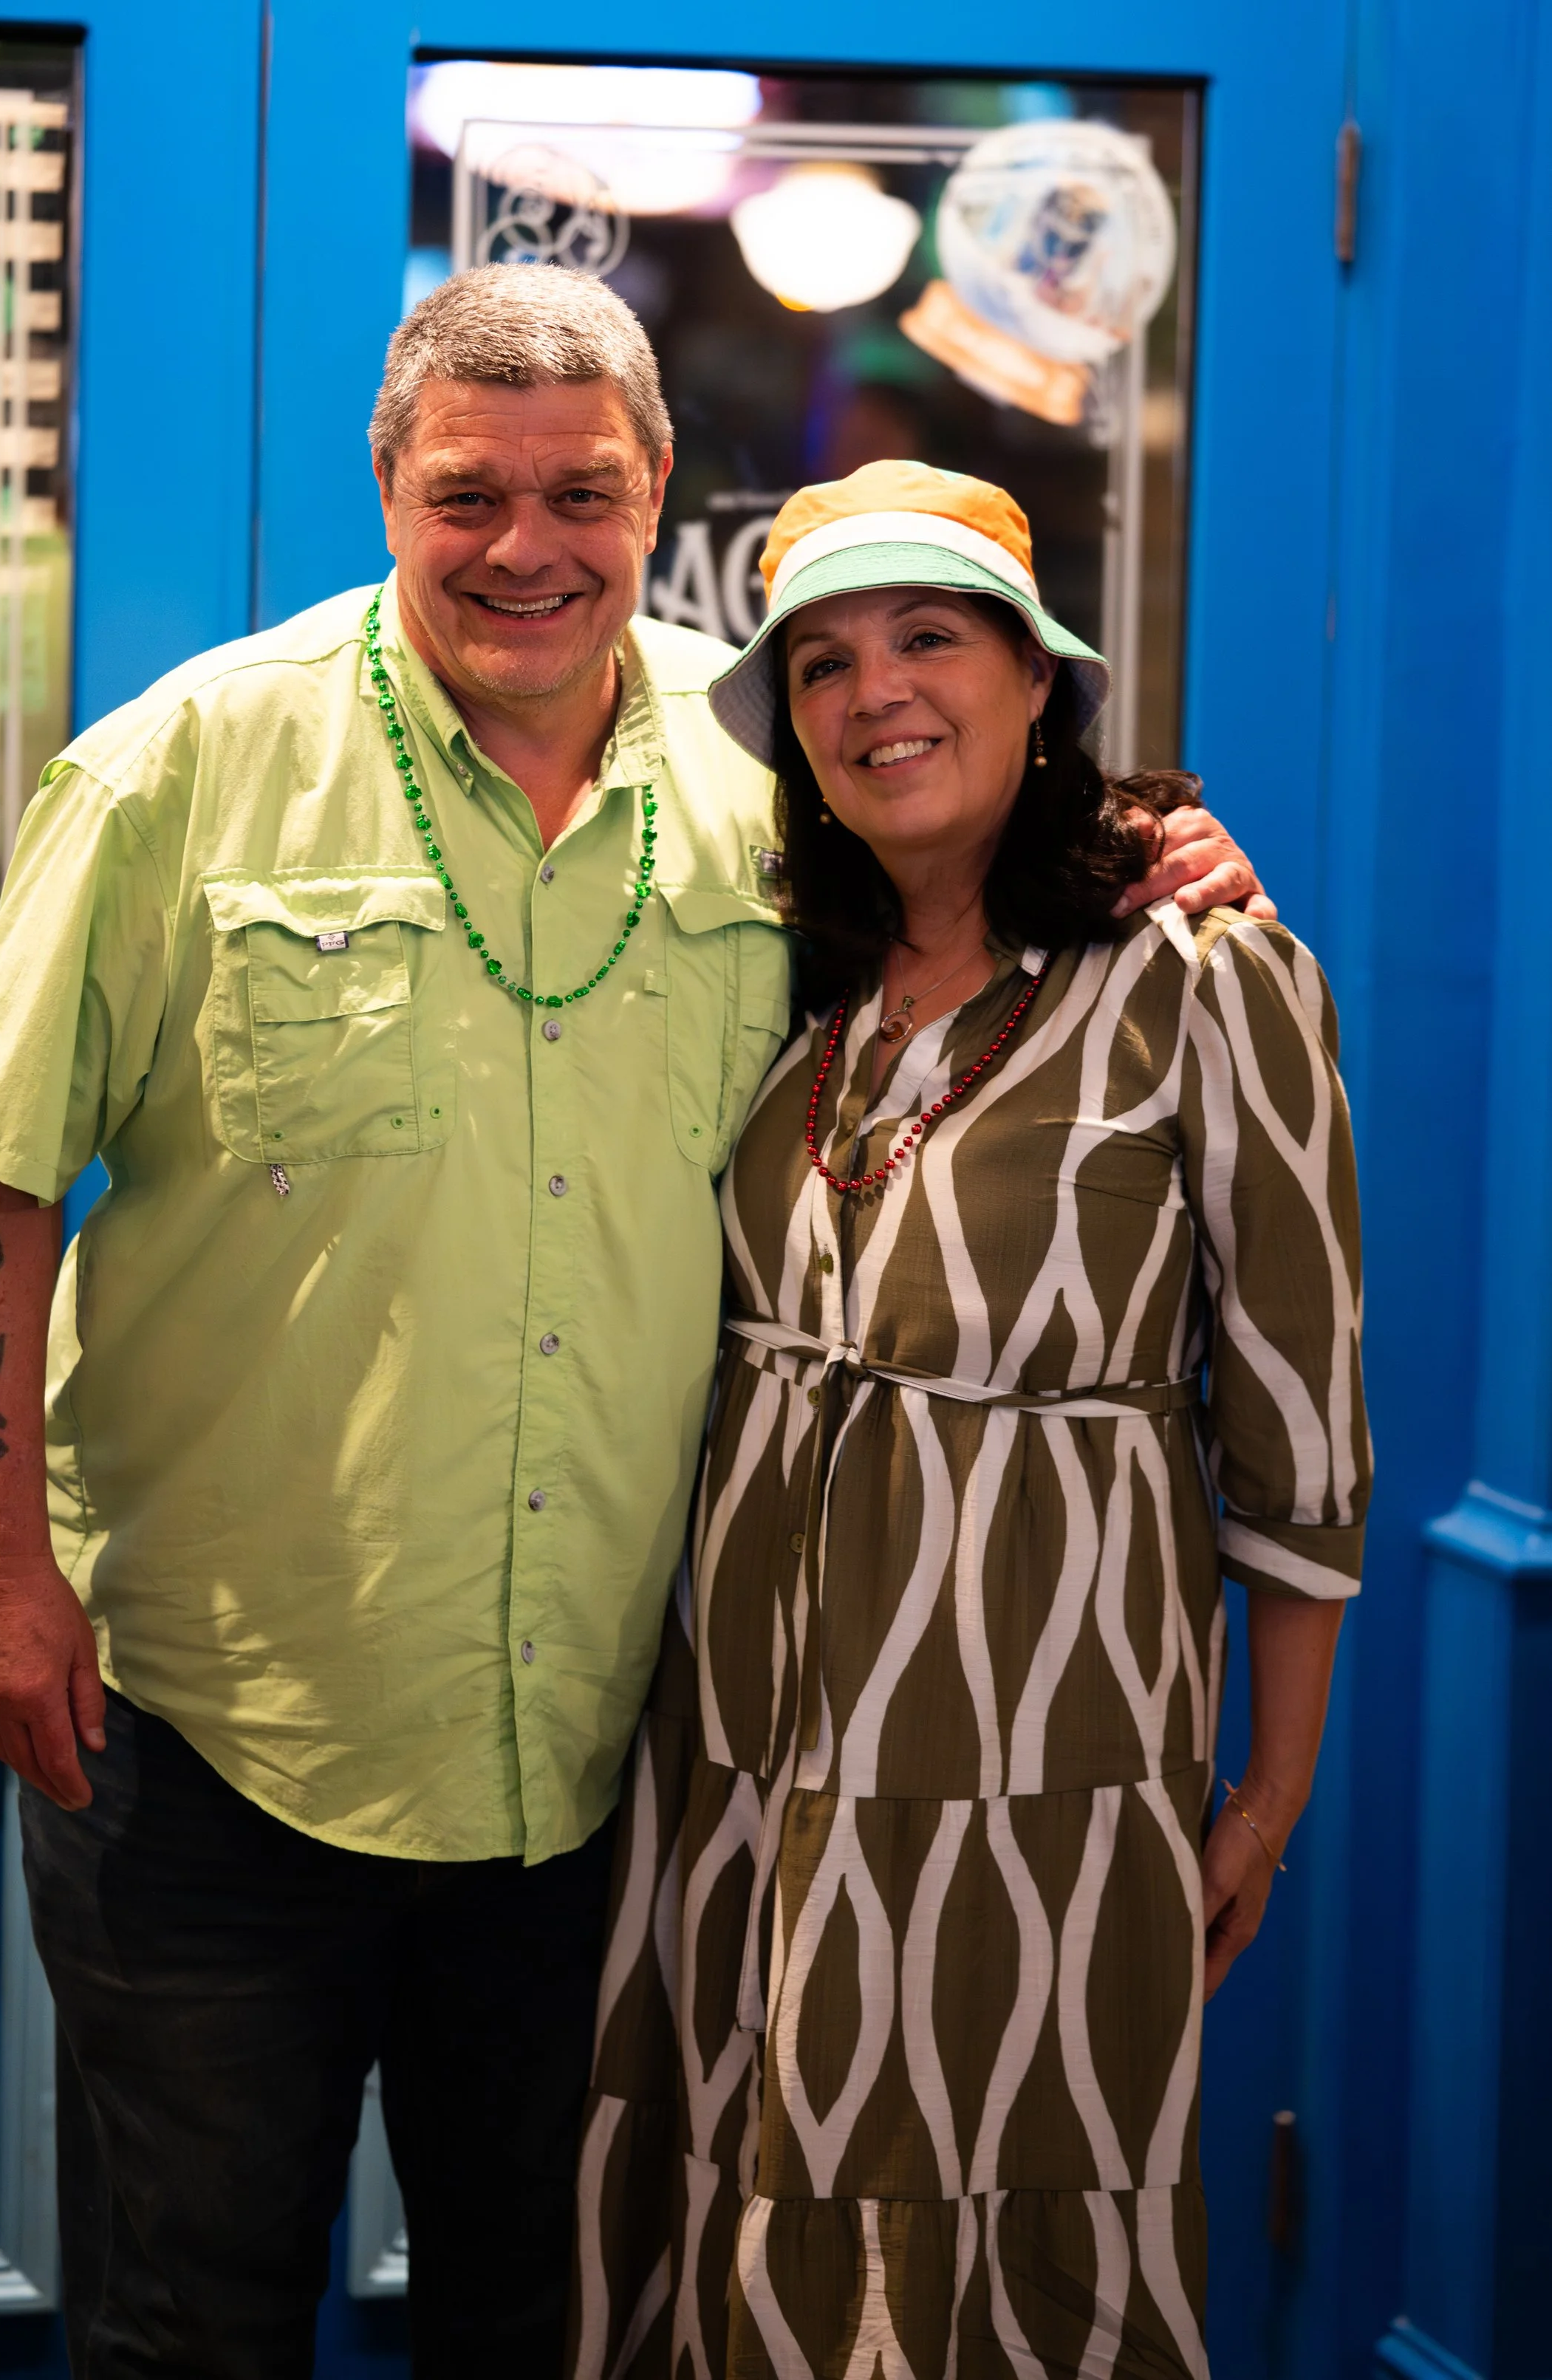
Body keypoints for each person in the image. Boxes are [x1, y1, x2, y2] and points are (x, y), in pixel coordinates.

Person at [0, 273, 1265, 2380]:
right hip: (216, 1745)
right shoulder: (184, 765)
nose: (523, 546)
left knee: (555, 2321)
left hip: (610, 1759)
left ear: (655, 497)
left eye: (581, 495)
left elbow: (975, 890)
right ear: (389, 489)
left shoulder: (767, 772)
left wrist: (1162, 851)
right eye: (468, 494)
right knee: (189, 2327)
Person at [570, 463, 1369, 2380]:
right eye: (822, 663)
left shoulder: (1210, 977)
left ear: (1036, 680)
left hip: (1036, 1774)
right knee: (740, 2217)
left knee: (1013, 2251)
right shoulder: (781, 974)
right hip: (740, 1765)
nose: (877, 693)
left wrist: (1266, 1796)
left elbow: (1302, 1433)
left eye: (929, 636)